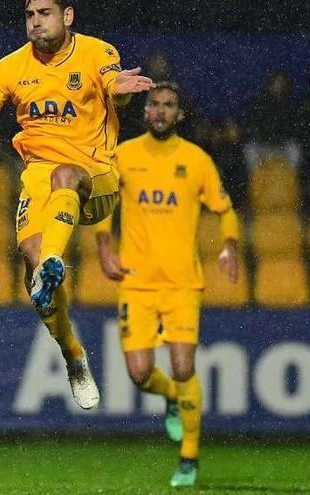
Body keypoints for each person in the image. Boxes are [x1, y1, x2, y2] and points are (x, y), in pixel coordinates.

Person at [0, 0, 154, 409]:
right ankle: (73, 355)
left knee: (66, 178)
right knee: (29, 255)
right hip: (38, 174)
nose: (36, 22)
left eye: (45, 13)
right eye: (29, 15)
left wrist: (121, 94)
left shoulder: (98, 51)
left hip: (97, 174)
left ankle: (52, 264)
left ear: (68, 16)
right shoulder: (9, 68)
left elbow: (112, 83)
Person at [94, 82, 240, 487]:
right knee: (140, 374)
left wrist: (230, 245)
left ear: (180, 115)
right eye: (154, 105)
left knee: (183, 366)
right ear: (144, 113)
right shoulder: (124, 156)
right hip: (136, 282)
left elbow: (225, 210)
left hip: (181, 284)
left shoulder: (196, 161)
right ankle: (174, 399)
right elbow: (104, 205)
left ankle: (189, 458)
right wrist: (104, 247)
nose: (160, 111)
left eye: (168, 105)